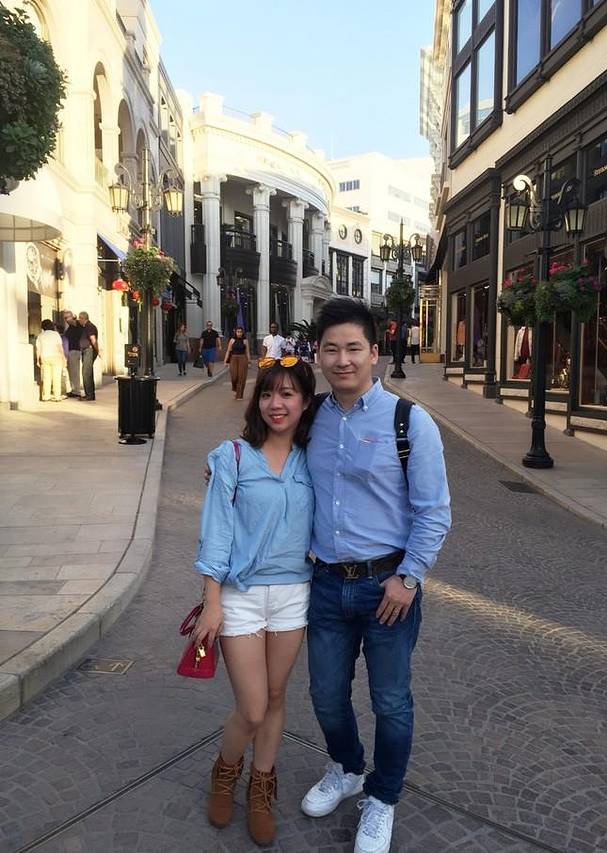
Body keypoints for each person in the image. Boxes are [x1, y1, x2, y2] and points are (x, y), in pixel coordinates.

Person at [300, 297, 451, 853]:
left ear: (374, 352)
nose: (342, 360)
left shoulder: (409, 421)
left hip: (388, 587)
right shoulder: (310, 416)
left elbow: (434, 511)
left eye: (353, 348)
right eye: (331, 349)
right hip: (324, 583)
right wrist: (226, 467)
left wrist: (408, 579)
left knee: (390, 701)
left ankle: (382, 797)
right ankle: (346, 768)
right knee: (325, 695)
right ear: (317, 355)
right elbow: (268, 453)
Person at [192, 357, 316, 847]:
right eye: (267, 394)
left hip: (293, 595)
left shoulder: (315, 459)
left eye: (287, 394)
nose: (275, 404)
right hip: (240, 597)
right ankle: (225, 770)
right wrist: (212, 601)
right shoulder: (233, 458)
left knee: (277, 697)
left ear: (305, 402)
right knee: (253, 706)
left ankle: (261, 786)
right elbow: (216, 532)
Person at [35, 319, 65, 402]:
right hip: (56, 357)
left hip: (45, 357)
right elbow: (59, 347)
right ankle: (57, 396)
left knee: (46, 377)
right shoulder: (56, 334)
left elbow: (38, 349)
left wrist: (37, 360)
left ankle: (46, 396)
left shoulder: (40, 336)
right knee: (56, 377)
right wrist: (63, 357)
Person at [77, 312, 100, 401]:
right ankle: (90, 394)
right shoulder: (85, 326)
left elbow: (93, 339)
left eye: (80, 318)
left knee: (86, 373)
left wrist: (98, 350)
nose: (79, 320)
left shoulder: (90, 326)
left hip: (89, 350)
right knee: (88, 372)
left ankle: (89, 395)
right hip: (86, 351)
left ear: (83, 318)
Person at [223, 327, 251, 400]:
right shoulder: (232, 340)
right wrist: (225, 361)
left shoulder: (245, 341)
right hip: (233, 359)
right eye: (238, 332)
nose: (239, 333)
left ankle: (239, 395)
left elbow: (247, 352)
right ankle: (235, 388)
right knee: (234, 377)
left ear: (242, 333)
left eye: (240, 332)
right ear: (235, 332)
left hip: (242, 359)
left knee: (241, 377)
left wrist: (249, 361)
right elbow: (228, 351)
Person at [62, 310, 83, 397]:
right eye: (65, 318)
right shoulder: (69, 328)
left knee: (75, 372)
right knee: (71, 372)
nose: (66, 320)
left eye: (67, 317)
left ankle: (77, 391)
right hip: (70, 351)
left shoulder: (77, 324)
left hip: (75, 350)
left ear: (72, 317)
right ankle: (74, 390)